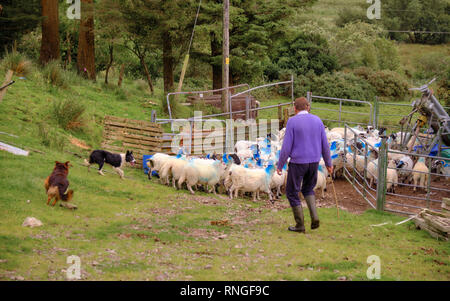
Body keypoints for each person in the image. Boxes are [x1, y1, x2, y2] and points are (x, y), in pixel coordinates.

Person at [277, 97, 333, 233]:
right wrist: (328, 163)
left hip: (297, 162)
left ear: (295, 109)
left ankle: (300, 225)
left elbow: (286, 147)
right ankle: (314, 217)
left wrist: (280, 165)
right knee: (308, 189)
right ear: (307, 107)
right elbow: (325, 144)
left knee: (291, 191)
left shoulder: (292, 122)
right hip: (314, 162)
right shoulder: (318, 120)